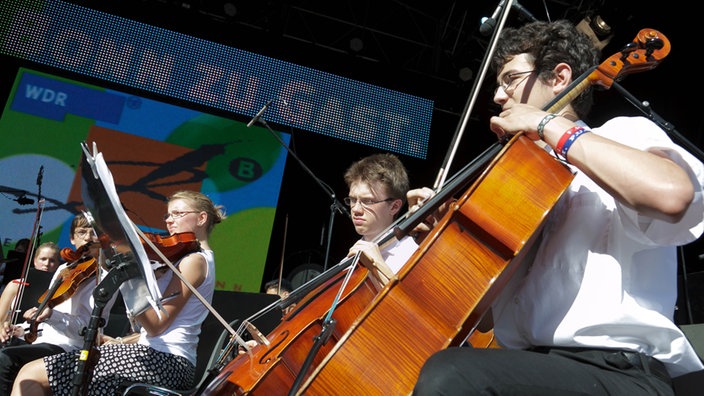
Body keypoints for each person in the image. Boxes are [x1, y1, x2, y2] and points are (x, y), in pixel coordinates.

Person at [409, 20, 704, 395]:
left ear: (560, 77)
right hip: (531, 368)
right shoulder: (521, 184)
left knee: (452, 375)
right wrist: (450, 235)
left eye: (510, 79)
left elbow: (672, 194)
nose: (499, 96)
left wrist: (546, 122)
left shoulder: (619, 136)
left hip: (619, 371)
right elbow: (481, 318)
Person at [12, 190, 226, 395]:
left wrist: (128, 276)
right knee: (44, 380)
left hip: (166, 364)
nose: (169, 220)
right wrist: (121, 342)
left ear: (201, 219)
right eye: (168, 215)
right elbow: (167, 330)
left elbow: (156, 325)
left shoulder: (195, 261)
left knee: (30, 374)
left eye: (178, 214)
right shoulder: (182, 258)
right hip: (154, 356)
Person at [0, 213, 113, 394]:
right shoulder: (63, 269)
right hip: (44, 341)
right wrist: (19, 329)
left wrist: (52, 315)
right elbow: (47, 319)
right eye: (81, 232)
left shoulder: (106, 278)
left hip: (70, 348)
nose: (88, 238)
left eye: (93, 233)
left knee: (6, 359)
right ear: (72, 239)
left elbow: (85, 331)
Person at [342, 153, 418, 280]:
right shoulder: (349, 257)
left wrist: (378, 265)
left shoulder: (410, 254)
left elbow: (405, 300)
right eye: (353, 200)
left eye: (368, 201)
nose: (356, 209)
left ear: (394, 207)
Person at [0, 241, 60, 329]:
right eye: (43, 259)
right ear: (35, 261)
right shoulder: (15, 285)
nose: (46, 264)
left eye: (52, 260)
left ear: (58, 264)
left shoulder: (61, 290)